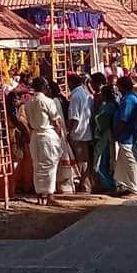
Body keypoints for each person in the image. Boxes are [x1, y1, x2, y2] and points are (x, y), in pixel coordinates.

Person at [23, 77, 64, 206]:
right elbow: (56, 121)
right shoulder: (48, 101)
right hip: (47, 135)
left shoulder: (28, 103)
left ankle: (40, 194)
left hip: (35, 136)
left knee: (38, 165)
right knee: (50, 165)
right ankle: (50, 195)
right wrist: (60, 136)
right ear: (44, 87)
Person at [114, 77, 137, 196]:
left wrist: (117, 132)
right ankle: (126, 185)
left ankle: (135, 188)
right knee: (123, 162)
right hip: (127, 135)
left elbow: (123, 119)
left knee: (130, 161)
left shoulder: (129, 100)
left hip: (127, 135)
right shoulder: (131, 97)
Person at [67, 74, 94, 193]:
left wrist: (69, 131)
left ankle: (85, 186)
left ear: (72, 83)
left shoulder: (76, 96)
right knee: (85, 160)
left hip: (78, 133)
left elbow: (74, 117)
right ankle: (86, 184)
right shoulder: (85, 94)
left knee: (82, 160)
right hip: (86, 131)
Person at [92, 85, 118, 193]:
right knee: (105, 162)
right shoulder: (110, 105)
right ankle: (107, 184)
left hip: (105, 137)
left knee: (100, 163)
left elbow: (101, 121)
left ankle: (109, 186)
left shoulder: (109, 107)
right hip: (106, 137)